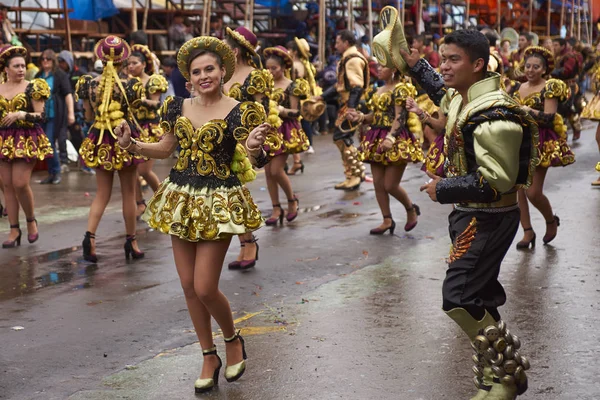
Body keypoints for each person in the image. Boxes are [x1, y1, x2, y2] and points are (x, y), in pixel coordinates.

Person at [375, 9, 536, 398]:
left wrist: (442, 187)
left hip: (489, 219)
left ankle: (505, 378)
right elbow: (441, 91)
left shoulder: (494, 115)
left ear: (478, 64)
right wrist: (417, 67)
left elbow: (496, 180)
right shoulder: (468, 98)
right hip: (471, 218)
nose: (444, 66)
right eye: (442, 58)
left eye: (453, 60)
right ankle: (500, 374)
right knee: (476, 297)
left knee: (459, 297)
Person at [115, 36, 270, 394]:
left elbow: (252, 153)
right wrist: (132, 145)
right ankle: (208, 354)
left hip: (219, 199)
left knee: (204, 286)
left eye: (210, 69)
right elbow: (166, 147)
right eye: (196, 71)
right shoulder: (177, 106)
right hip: (181, 196)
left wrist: (257, 147)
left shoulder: (239, 109)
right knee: (187, 287)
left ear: (222, 71)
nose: (204, 76)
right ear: (188, 78)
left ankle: (232, 339)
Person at [76, 36, 146, 262]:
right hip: (124, 138)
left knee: (101, 194)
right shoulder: (131, 85)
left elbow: (87, 116)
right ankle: (131, 241)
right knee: (128, 193)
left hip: (100, 139)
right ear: (123, 60)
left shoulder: (89, 84)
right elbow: (134, 113)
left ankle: (90, 238)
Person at [223, 26, 282, 270]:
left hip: (243, 142)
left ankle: (248, 242)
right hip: (218, 139)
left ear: (235, 51)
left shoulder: (256, 76)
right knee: (229, 194)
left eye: (225, 46)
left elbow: (262, 110)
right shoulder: (220, 73)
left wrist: (255, 143)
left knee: (234, 193)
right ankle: (246, 242)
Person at [508, 46, 575, 249]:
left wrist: (528, 111)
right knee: (518, 189)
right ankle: (527, 231)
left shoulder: (550, 87)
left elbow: (549, 118)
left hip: (540, 141)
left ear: (544, 70)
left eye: (536, 67)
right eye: (528, 66)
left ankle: (550, 220)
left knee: (533, 192)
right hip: (518, 140)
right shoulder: (515, 87)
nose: (530, 70)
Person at [349, 65, 424, 234]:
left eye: (384, 66)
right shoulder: (378, 90)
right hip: (376, 137)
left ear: (394, 69)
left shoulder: (401, 89)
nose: (379, 68)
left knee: (390, 185)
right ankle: (387, 220)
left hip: (395, 139)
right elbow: (375, 115)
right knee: (378, 184)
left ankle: (411, 208)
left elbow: (400, 116)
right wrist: (360, 117)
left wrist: (391, 137)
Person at [0, 45, 52, 247]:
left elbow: (42, 116)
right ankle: (14, 229)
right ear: (6, 69)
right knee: (7, 186)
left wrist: (21, 114)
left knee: (20, 183)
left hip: (26, 137)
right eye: (16, 66)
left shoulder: (33, 87)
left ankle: (31, 221)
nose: (21, 69)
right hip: (3, 139)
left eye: (23, 65)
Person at [314, 29, 368, 191]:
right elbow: (340, 86)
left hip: (352, 105)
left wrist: (351, 108)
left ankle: (356, 175)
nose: (336, 45)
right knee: (341, 138)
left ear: (346, 43)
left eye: (338, 42)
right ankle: (352, 175)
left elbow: (356, 86)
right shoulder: (347, 58)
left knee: (342, 138)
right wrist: (322, 97)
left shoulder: (352, 59)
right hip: (348, 104)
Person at [262, 46, 308, 225]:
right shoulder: (264, 84)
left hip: (285, 130)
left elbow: (297, 112)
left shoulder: (291, 85)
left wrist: (281, 110)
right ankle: (275, 208)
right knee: (267, 172)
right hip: (267, 129)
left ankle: (291, 200)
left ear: (283, 68)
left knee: (276, 170)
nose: (270, 71)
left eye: (274, 68)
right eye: (268, 68)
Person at [127, 44, 168, 217]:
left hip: (150, 128)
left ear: (143, 64)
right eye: (128, 64)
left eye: (135, 63)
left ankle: (163, 200)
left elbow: (157, 103)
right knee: (132, 170)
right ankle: (140, 203)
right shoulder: (128, 83)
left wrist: (141, 101)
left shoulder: (152, 81)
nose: (130, 67)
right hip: (133, 127)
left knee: (143, 170)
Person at [36, 49, 75, 184]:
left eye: (48, 59)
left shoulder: (59, 75)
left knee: (49, 142)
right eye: (43, 59)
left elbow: (68, 94)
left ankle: (56, 170)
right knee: (44, 143)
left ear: (53, 61)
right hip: (41, 115)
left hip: (55, 113)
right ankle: (52, 172)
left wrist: (71, 113)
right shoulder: (38, 75)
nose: (45, 61)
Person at [57, 50, 87, 166]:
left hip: (78, 111)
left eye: (62, 61)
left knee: (78, 136)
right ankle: (64, 161)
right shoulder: (59, 75)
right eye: (59, 61)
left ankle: (84, 161)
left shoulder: (79, 73)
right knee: (62, 137)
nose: (60, 64)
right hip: (62, 110)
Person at [551, 37, 583, 140]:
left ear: (562, 46)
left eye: (556, 45)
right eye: (553, 45)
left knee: (568, 108)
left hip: (569, 85)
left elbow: (566, 71)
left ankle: (576, 129)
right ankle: (561, 133)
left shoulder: (570, 56)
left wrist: (552, 72)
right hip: (557, 85)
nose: (554, 47)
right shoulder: (556, 55)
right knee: (559, 109)